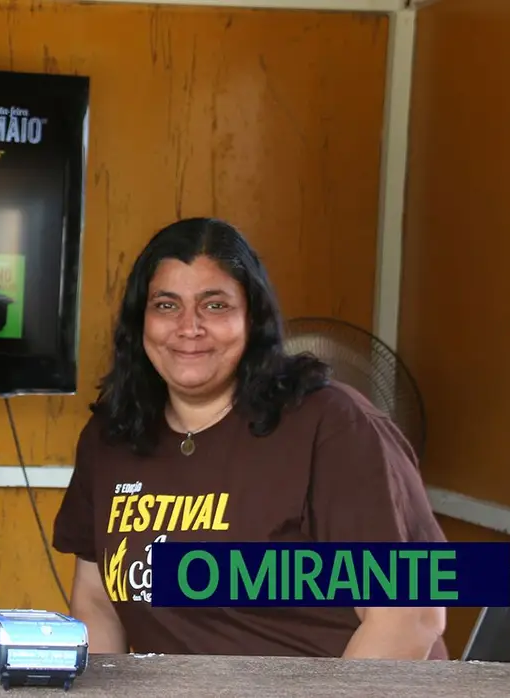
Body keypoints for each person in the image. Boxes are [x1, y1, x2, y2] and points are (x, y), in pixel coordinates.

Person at [52, 217, 448, 660]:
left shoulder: (333, 426)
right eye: (166, 305)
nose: (189, 327)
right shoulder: (113, 436)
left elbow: (410, 618)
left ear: (253, 318)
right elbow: (97, 600)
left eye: (215, 305)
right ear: (138, 321)